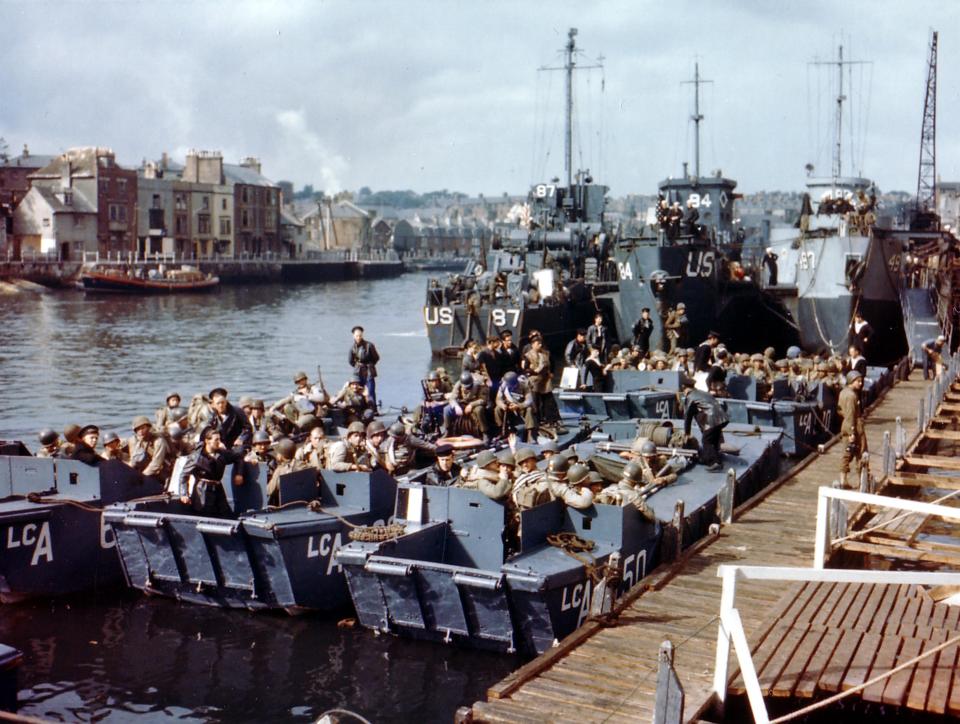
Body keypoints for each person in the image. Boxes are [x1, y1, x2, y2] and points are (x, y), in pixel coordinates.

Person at [177, 427, 244, 517]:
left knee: (225, 514)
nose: (219, 443)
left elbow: (238, 457)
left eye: (219, 439)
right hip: (202, 491)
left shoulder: (222, 454)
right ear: (207, 441)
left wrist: (239, 474)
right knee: (203, 514)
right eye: (216, 440)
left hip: (218, 489)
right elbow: (184, 475)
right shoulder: (197, 457)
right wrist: (184, 494)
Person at [682, 381, 729, 471]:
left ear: (686, 390)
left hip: (712, 419)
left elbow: (688, 416)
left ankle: (715, 462)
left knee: (706, 440)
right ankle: (709, 457)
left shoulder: (690, 396)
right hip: (722, 417)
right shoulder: (702, 393)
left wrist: (687, 433)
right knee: (713, 439)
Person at [838, 370, 867, 488]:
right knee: (861, 453)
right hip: (855, 426)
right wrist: (852, 432)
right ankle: (862, 481)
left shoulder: (843, 392)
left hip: (845, 425)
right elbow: (851, 414)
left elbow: (840, 410)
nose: (860, 383)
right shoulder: (851, 396)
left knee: (847, 453)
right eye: (858, 381)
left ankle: (843, 479)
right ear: (851, 381)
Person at [443, 371, 490, 441]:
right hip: (462, 403)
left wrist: (471, 405)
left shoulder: (480, 385)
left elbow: (483, 400)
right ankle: (448, 430)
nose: (466, 389)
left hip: (474, 404)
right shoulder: (458, 384)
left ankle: (485, 433)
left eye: (468, 387)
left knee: (479, 410)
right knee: (446, 409)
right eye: (465, 387)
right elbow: (452, 398)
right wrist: (456, 406)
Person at [127, 416, 173, 482]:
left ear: (148, 427)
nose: (141, 431)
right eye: (138, 429)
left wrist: (142, 476)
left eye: (143, 428)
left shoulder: (158, 441)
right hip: (148, 470)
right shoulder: (138, 442)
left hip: (163, 470)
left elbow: (156, 464)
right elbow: (133, 460)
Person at [494, 372, 538, 442]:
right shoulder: (503, 385)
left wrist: (518, 406)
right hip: (509, 407)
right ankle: (503, 431)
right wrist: (502, 405)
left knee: (529, 410)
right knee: (497, 409)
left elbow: (529, 401)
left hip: (522, 408)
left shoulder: (524, 385)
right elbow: (498, 399)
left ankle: (531, 434)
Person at [267, 438, 307, 506]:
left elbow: (270, 491)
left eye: (277, 453)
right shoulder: (303, 465)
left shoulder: (280, 470)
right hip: (304, 502)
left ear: (281, 456)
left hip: (286, 507)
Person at [348, 325, 380, 412]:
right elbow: (350, 361)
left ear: (362, 335)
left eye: (360, 335)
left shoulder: (369, 345)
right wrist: (358, 366)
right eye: (357, 336)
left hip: (369, 370)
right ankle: (361, 409)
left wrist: (370, 365)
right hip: (358, 371)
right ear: (353, 336)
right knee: (358, 390)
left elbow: (376, 358)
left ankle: (373, 409)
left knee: (370, 390)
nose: (358, 337)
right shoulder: (352, 348)